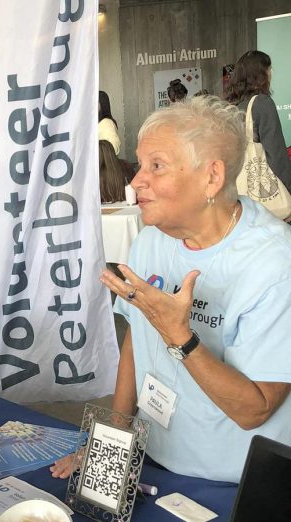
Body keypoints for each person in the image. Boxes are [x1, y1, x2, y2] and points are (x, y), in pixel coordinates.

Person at [51, 96, 291, 484]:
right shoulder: (151, 240)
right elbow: (136, 342)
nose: (135, 180)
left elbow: (255, 410)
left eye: (156, 166)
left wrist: (178, 333)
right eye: (141, 164)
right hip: (153, 456)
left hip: (230, 480)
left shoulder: (276, 263)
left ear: (211, 177)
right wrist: (113, 440)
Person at [226, 50, 291, 193]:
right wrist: (288, 189)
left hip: (238, 189)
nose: (271, 72)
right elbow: (276, 154)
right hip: (264, 192)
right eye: (268, 68)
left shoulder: (232, 105)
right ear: (260, 75)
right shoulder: (262, 103)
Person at [98, 90, 121, 156]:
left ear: (102, 104)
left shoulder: (107, 123)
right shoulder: (99, 122)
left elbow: (114, 147)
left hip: (104, 164)